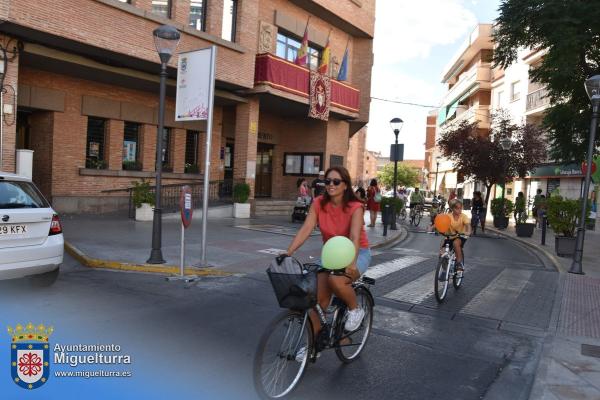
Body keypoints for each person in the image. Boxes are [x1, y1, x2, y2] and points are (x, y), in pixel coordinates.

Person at [284, 166, 371, 340]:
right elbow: (306, 228)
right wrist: (288, 252)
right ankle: (313, 347)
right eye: (328, 181)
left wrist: (351, 263)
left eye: (336, 181)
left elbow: (354, 236)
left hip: (358, 252)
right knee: (318, 301)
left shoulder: (355, 207)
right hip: (331, 255)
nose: (331, 185)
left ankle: (355, 310)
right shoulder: (319, 203)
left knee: (336, 281)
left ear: (345, 185)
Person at [439, 200, 471, 279]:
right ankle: (445, 270)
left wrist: (468, 231)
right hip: (450, 236)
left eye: (461, 208)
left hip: (461, 236)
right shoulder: (448, 216)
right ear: (452, 209)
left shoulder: (463, 216)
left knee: (456, 244)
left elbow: (468, 225)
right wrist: (432, 227)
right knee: (441, 253)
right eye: (457, 209)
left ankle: (459, 263)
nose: (460, 210)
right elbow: (439, 222)